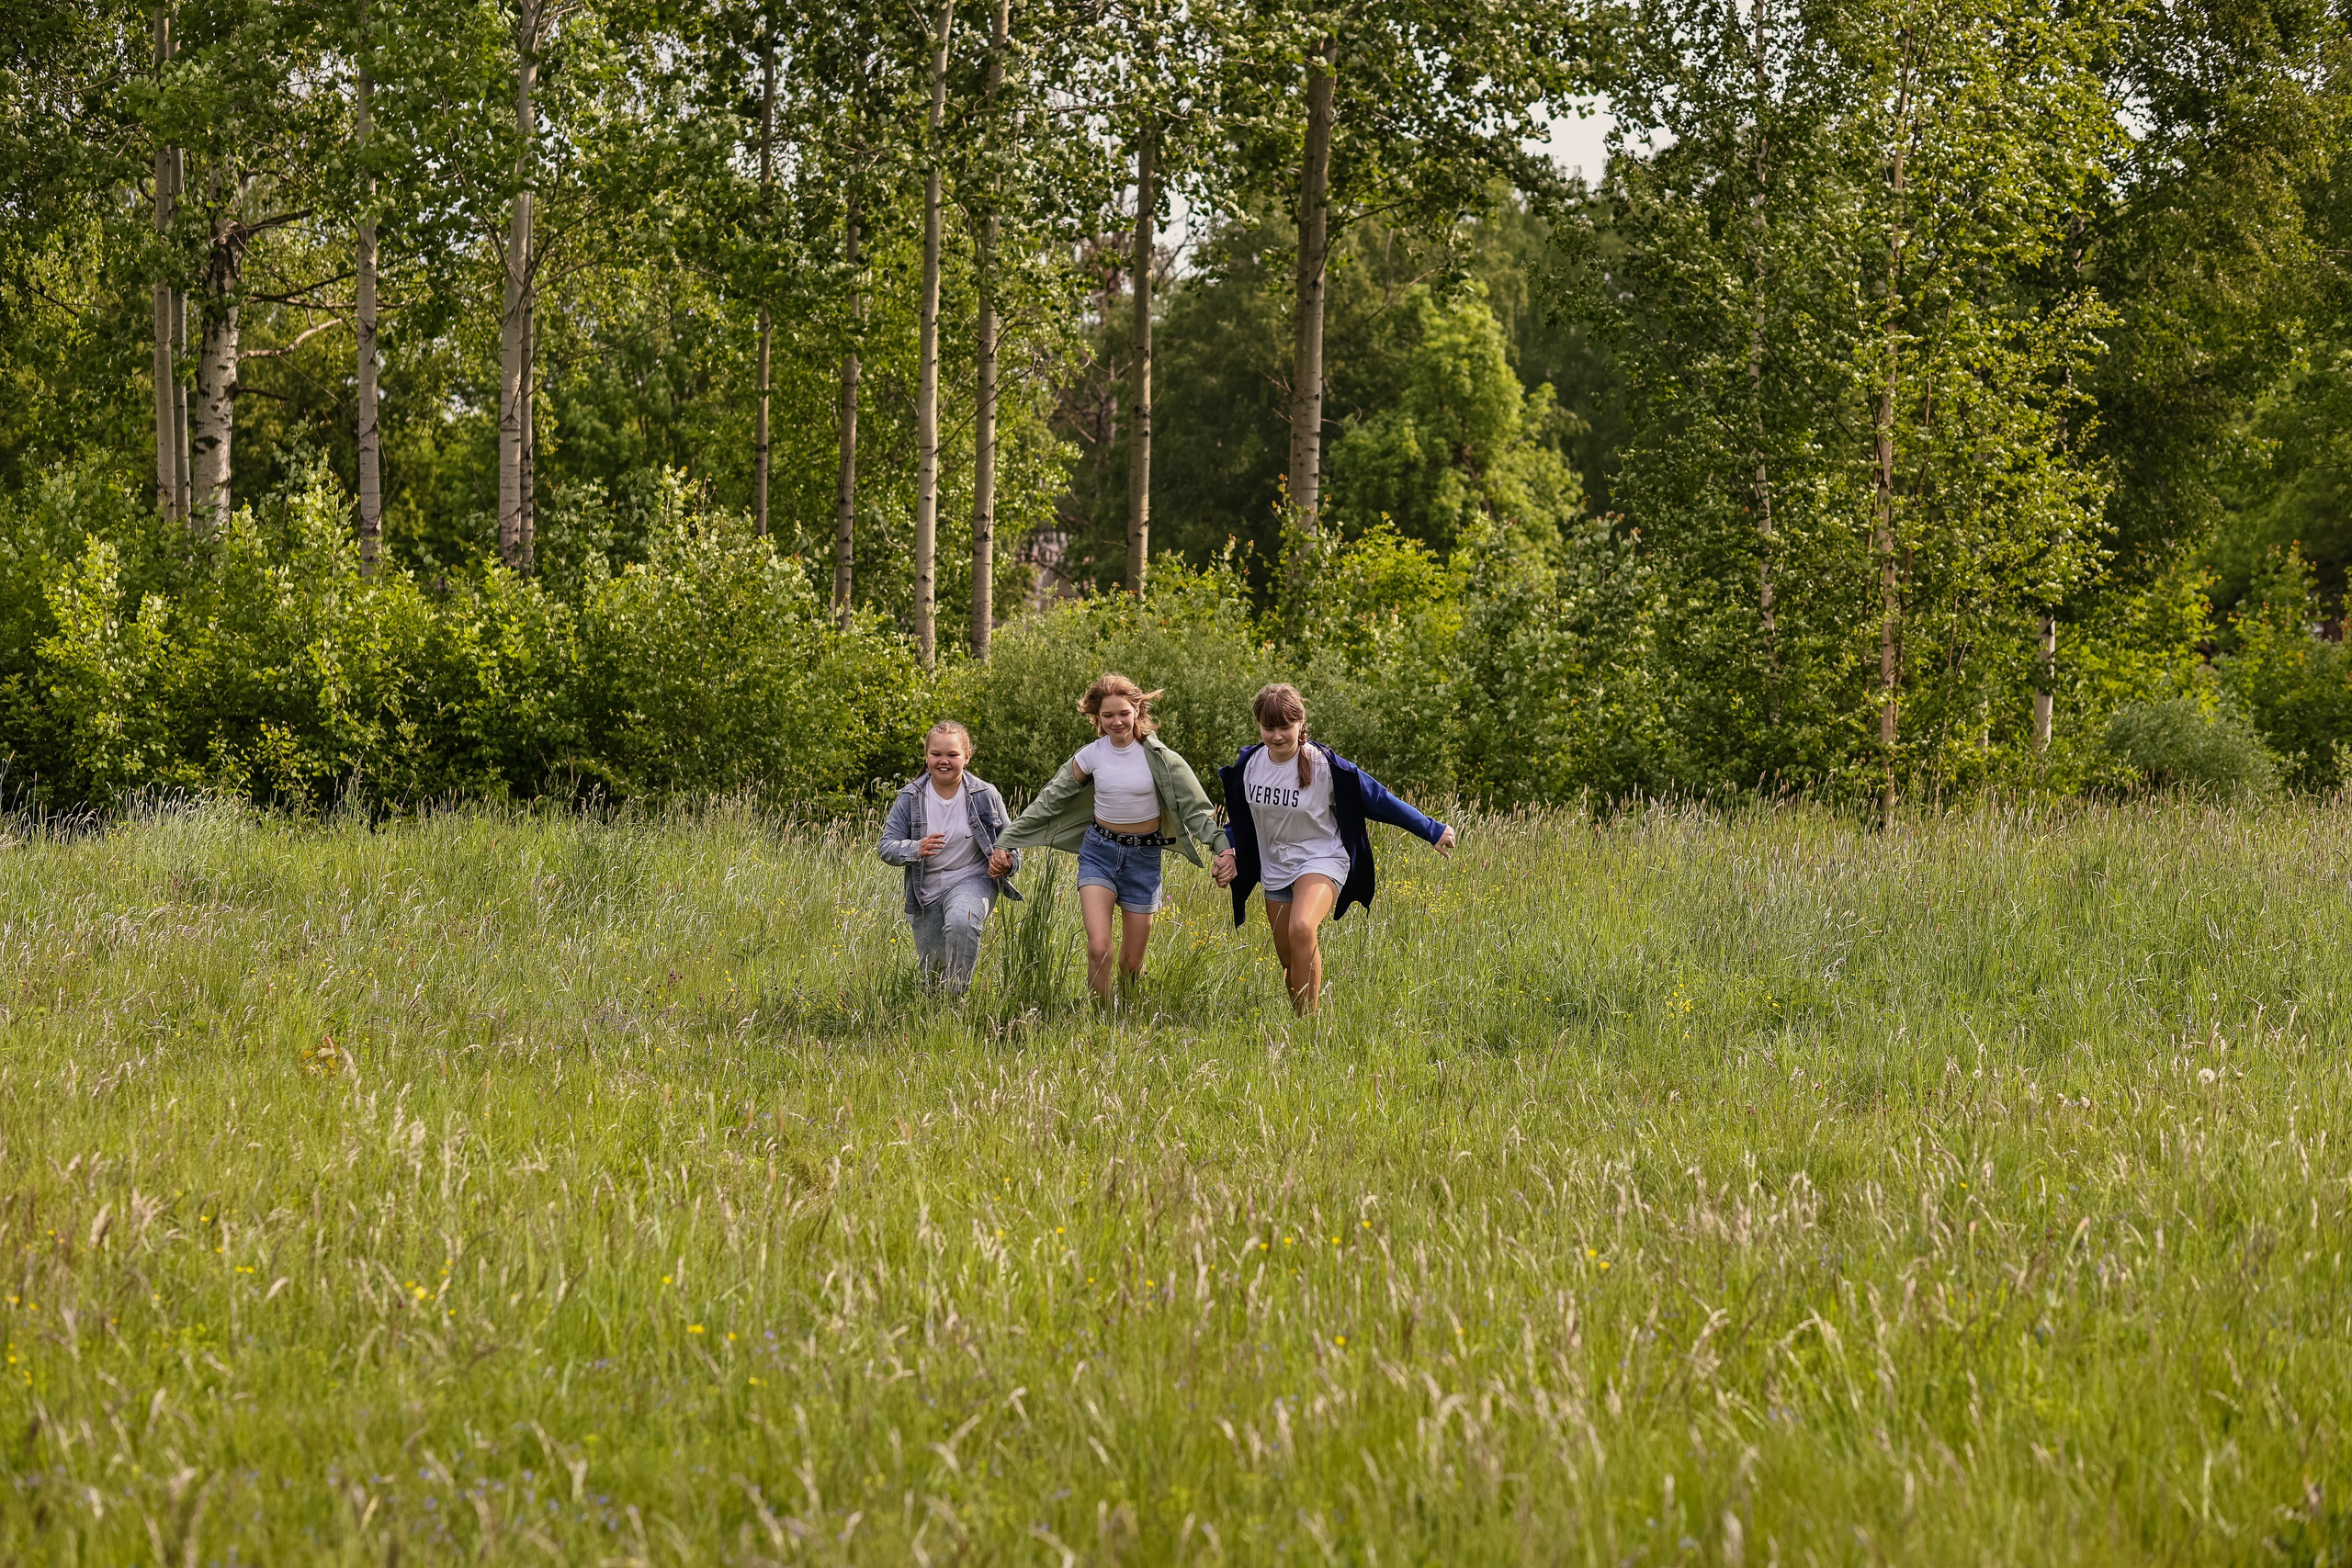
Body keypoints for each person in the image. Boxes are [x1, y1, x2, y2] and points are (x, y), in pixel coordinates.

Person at [1213, 682, 1456, 1014]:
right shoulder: (1250, 765)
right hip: (1276, 867)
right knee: (1288, 957)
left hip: (1321, 859)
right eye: (1269, 727)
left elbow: (1380, 800)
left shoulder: (1326, 766)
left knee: (1302, 928)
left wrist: (1432, 830)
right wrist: (1228, 850)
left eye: (1285, 726)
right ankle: (1300, 1021)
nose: (1277, 735)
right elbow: (1242, 821)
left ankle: (1308, 1027)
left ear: (1301, 724)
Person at [988, 673, 1228, 1002]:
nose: (1117, 722)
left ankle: (1128, 1015)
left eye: (1123, 714)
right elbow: (1049, 801)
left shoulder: (1161, 758)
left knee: (1132, 965)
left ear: (1137, 711)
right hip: (1099, 852)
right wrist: (1006, 839)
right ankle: (1099, 1022)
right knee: (1099, 948)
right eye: (1108, 715)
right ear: (1096, 717)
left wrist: (1223, 847)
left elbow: (1195, 812)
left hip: (1144, 860)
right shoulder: (1091, 756)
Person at [877, 720, 1021, 997]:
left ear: (967, 757)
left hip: (973, 879)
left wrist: (1006, 861)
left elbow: (1012, 847)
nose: (944, 761)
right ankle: (937, 1017)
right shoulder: (910, 797)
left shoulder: (985, 795)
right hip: (925, 893)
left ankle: (957, 1004)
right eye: (936, 754)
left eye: (952, 754)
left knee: (962, 921)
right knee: (932, 979)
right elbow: (886, 847)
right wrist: (915, 848)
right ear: (926, 756)